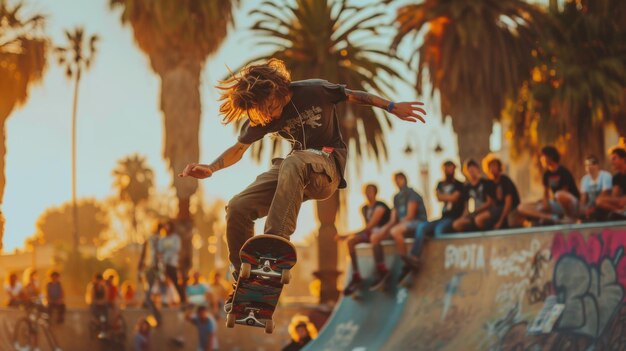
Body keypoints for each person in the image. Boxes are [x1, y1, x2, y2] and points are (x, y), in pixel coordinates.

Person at [179, 59, 427, 311]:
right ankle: (245, 280)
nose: (270, 115)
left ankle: (273, 246)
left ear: (277, 88)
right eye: (264, 112)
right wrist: (211, 167)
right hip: (295, 171)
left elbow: (354, 95)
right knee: (238, 207)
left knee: (293, 161)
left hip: (326, 168)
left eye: (271, 107)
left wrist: (392, 106)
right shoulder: (263, 116)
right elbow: (239, 149)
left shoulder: (314, 89)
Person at [400, 161, 463, 283]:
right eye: (446, 168)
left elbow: (454, 198)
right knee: (422, 227)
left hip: (454, 217)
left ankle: (442, 261)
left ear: (454, 169)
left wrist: (446, 196)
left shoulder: (460, 185)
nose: (447, 171)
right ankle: (414, 257)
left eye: (450, 168)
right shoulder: (440, 183)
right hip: (443, 217)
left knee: (439, 230)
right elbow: (439, 197)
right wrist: (449, 197)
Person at [368, 173, 427, 290]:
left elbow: (410, 216)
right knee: (375, 237)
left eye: (400, 179)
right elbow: (393, 219)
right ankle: (381, 270)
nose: (398, 182)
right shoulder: (396, 197)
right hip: (401, 225)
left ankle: (407, 265)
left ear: (405, 179)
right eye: (396, 180)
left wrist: (394, 227)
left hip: (417, 223)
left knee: (395, 231)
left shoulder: (412, 194)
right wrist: (384, 229)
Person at [339, 183, 391, 295]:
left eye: (371, 191)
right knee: (350, 242)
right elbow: (366, 229)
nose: (368, 194)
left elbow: (370, 226)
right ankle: (356, 275)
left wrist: (347, 234)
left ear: (375, 193)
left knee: (373, 236)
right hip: (370, 233)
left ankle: (381, 269)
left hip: (384, 232)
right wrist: (350, 237)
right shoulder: (364, 208)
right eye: (366, 191)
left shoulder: (381, 206)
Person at [517, 146, 580, 224]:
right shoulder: (546, 174)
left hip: (571, 204)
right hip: (556, 204)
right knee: (521, 207)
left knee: (559, 194)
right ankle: (551, 218)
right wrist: (544, 201)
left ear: (550, 157)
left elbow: (564, 193)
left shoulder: (563, 172)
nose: (541, 159)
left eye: (542, 157)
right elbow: (545, 193)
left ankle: (569, 218)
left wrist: (550, 202)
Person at [452, 159, 495, 232]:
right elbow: (466, 207)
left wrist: (477, 211)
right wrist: (463, 217)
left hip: (487, 211)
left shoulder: (486, 183)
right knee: (456, 225)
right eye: (470, 171)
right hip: (474, 214)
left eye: (473, 170)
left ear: (478, 169)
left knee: (479, 219)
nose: (472, 173)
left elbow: (490, 202)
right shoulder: (467, 187)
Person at [482, 154, 521, 229]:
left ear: (499, 167)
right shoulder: (489, 183)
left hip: (512, 210)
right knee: (480, 220)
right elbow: (490, 203)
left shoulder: (505, 180)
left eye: (494, 166)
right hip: (498, 210)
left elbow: (508, 204)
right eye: (490, 166)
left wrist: (500, 221)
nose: (492, 168)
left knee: (511, 222)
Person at [578, 155, 612, 221]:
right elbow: (583, 197)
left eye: (592, 164)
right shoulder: (584, 179)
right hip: (590, 206)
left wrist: (592, 208)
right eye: (587, 165)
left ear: (597, 165)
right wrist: (582, 208)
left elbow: (605, 193)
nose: (589, 167)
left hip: (602, 205)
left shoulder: (605, 176)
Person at [596, 146, 626, 219]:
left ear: (623, 159)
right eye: (611, 159)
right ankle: (620, 212)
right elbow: (615, 197)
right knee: (600, 201)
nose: (611, 162)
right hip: (622, 202)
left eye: (614, 158)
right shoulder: (616, 178)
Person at [159, 220, 183, 303]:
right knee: (163, 282)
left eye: (168, 226)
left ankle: (182, 299)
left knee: (175, 281)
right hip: (163, 264)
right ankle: (164, 300)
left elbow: (176, 249)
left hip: (172, 263)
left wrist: (167, 255)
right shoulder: (162, 239)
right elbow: (160, 249)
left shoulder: (175, 238)